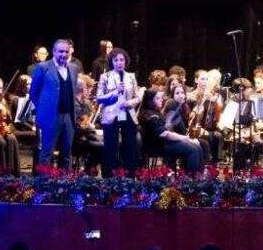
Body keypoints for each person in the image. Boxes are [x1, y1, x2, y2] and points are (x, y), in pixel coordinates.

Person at [29, 39, 80, 169]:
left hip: (68, 117)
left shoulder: (73, 68)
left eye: (66, 52)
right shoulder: (43, 67)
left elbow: (73, 91)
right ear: (54, 51)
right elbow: (33, 92)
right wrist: (43, 108)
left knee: (67, 154)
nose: (64, 54)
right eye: (61, 51)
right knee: (46, 153)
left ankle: (65, 180)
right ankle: (44, 180)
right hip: (50, 116)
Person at [97, 48, 141, 176]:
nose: (119, 63)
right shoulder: (105, 76)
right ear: (112, 62)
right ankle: (108, 177)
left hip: (128, 113)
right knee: (110, 146)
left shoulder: (131, 76)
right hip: (111, 114)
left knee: (130, 146)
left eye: (121, 60)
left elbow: (138, 97)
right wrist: (114, 92)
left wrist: (130, 103)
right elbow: (99, 97)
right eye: (116, 60)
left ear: (125, 61)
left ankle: (129, 177)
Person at [140, 86, 203, 173]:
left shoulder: (156, 112)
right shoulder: (150, 115)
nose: (161, 100)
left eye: (161, 98)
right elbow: (164, 134)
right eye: (158, 98)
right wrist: (184, 138)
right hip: (158, 146)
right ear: (150, 101)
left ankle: (197, 174)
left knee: (196, 146)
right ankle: (192, 177)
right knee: (193, 149)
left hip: (164, 143)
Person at [73, 74, 103, 174]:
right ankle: (89, 170)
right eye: (88, 89)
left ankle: (90, 169)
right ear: (82, 89)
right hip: (76, 138)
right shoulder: (73, 103)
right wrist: (90, 128)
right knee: (102, 146)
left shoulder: (87, 103)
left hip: (87, 136)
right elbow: (77, 125)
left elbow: (94, 120)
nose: (90, 92)